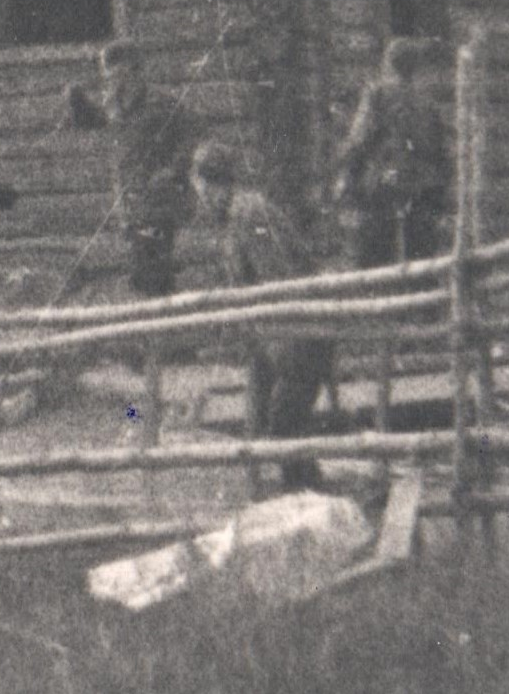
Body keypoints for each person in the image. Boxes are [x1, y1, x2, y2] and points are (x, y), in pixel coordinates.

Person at [194, 138, 333, 494]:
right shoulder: (232, 220)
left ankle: (305, 496)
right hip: (270, 337)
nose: (206, 198)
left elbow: (279, 279)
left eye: (211, 188)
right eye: (203, 189)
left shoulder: (249, 214)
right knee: (259, 426)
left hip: (297, 333)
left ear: (223, 185)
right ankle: (282, 497)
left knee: (283, 424)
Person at [66, 41, 208, 301]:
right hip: (132, 205)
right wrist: (78, 104)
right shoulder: (116, 108)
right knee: (145, 270)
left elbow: (193, 133)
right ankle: (163, 323)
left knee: (150, 270)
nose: (111, 81)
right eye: (108, 75)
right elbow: (96, 121)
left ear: (133, 71)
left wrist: (173, 170)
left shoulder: (161, 104)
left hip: (159, 203)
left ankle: (163, 326)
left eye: (116, 74)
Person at [329, 35, 458, 270]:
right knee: (422, 266)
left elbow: (360, 140)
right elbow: (443, 157)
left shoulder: (377, 95)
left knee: (373, 264)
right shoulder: (428, 106)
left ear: (388, 63)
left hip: (382, 193)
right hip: (421, 197)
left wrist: (346, 176)